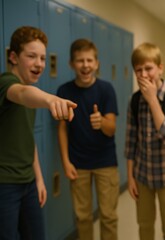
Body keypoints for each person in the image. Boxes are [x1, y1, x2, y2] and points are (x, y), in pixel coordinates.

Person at [0, 26, 77, 240]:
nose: (39, 64)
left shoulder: (29, 87)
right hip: (5, 184)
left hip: (29, 184)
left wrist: (39, 179)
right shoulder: (7, 83)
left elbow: (28, 138)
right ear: (14, 57)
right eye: (32, 56)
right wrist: (50, 99)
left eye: (43, 58)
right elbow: (23, 94)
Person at [57, 39, 119, 240]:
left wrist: (101, 121)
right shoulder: (64, 92)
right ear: (71, 64)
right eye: (80, 60)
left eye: (89, 60)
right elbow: (62, 129)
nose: (85, 65)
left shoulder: (106, 89)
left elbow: (111, 129)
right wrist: (65, 162)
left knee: (108, 216)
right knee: (82, 217)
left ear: (97, 63)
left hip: (105, 163)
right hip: (78, 163)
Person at [125, 42, 165, 240]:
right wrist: (130, 177)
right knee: (145, 226)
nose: (143, 74)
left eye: (148, 68)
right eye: (138, 70)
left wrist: (152, 100)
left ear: (160, 68)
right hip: (143, 175)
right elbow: (131, 140)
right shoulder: (135, 100)